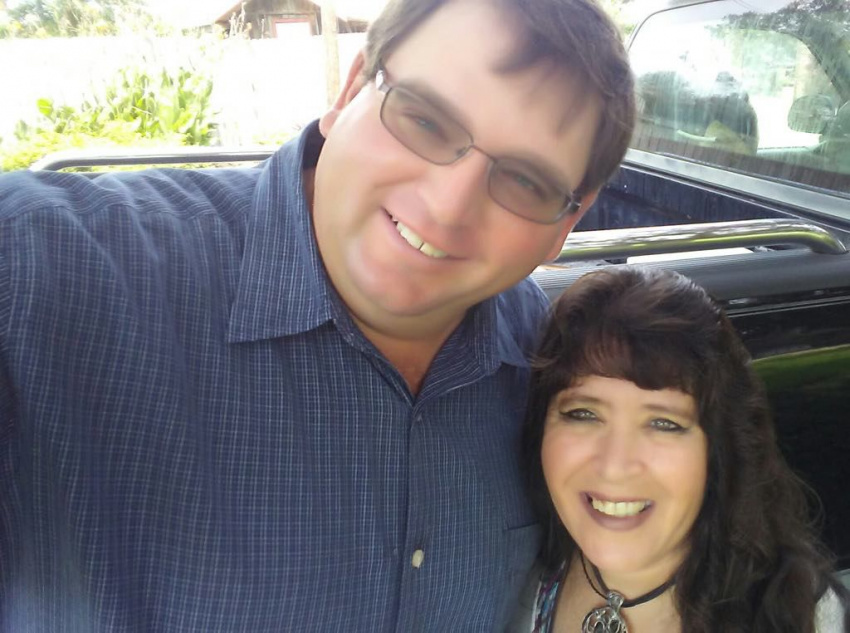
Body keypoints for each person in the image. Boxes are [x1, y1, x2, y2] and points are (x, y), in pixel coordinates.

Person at [0, 0, 634, 630]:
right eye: (424, 120)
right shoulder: (44, 268)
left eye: (525, 182)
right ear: (351, 89)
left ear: (568, 222)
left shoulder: (552, 366)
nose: (448, 206)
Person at [511, 266, 850, 632]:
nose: (614, 466)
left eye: (663, 423)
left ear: (718, 450)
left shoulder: (798, 615)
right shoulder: (510, 577)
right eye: (583, 414)